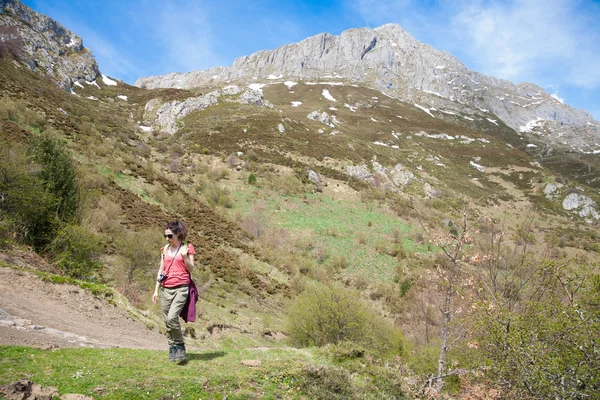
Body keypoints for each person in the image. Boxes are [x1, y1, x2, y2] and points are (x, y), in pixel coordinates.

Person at [152, 220, 195, 362]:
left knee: (172, 318)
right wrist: (156, 290)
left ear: (178, 234)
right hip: (165, 288)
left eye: (170, 236)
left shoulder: (187, 248)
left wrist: (184, 256)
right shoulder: (165, 249)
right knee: (166, 320)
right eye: (165, 235)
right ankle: (172, 347)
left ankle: (180, 345)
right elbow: (161, 269)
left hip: (181, 287)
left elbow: (191, 268)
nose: (167, 239)